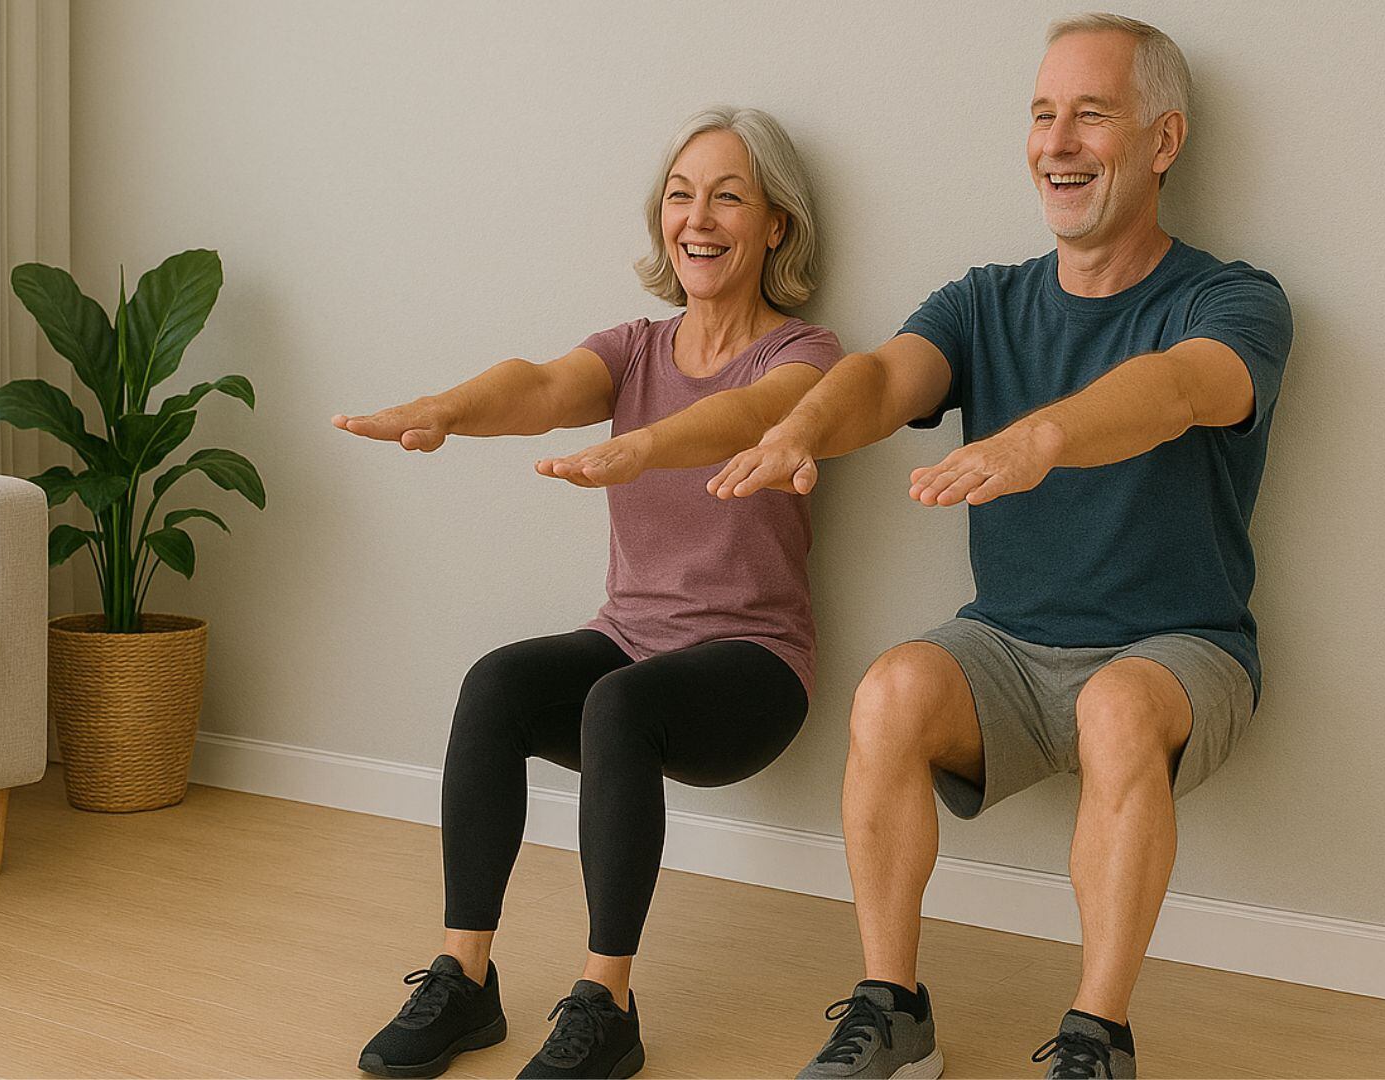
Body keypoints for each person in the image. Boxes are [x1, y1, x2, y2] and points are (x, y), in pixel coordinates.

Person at [713, 15, 1292, 1079]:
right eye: (1041, 115)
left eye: (1090, 115)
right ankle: (893, 1012)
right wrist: (799, 425)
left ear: (1162, 142)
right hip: (1011, 649)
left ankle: (1096, 1041)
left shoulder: (1233, 299)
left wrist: (1042, 439)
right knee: (888, 690)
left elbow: (1175, 392)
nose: (1057, 142)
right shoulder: (985, 300)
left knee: (1118, 708)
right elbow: (887, 379)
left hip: (1179, 647)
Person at [333, 105, 840, 1080]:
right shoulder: (637, 348)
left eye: (728, 196)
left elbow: (749, 415)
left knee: (618, 703)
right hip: (631, 643)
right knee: (498, 683)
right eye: (681, 196)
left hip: (755, 671)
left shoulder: (807, 356)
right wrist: (446, 410)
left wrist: (644, 445)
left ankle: (606, 1003)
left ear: (776, 223)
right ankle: (463, 978)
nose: (698, 217)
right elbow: (537, 385)